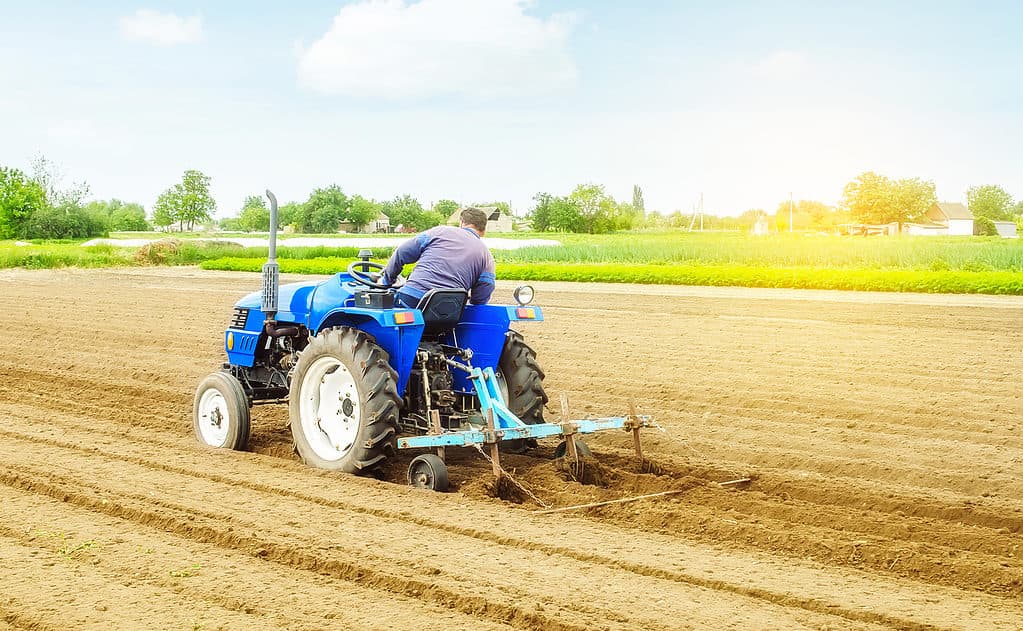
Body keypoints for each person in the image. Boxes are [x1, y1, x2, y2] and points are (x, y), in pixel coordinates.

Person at [381, 207, 496, 308]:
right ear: (484, 230)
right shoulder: (487, 256)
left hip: (413, 299)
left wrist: (386, 281)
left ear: (461, 222)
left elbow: (402, 252)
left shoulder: (439, 232)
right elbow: (484, 290)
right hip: (449, 310)